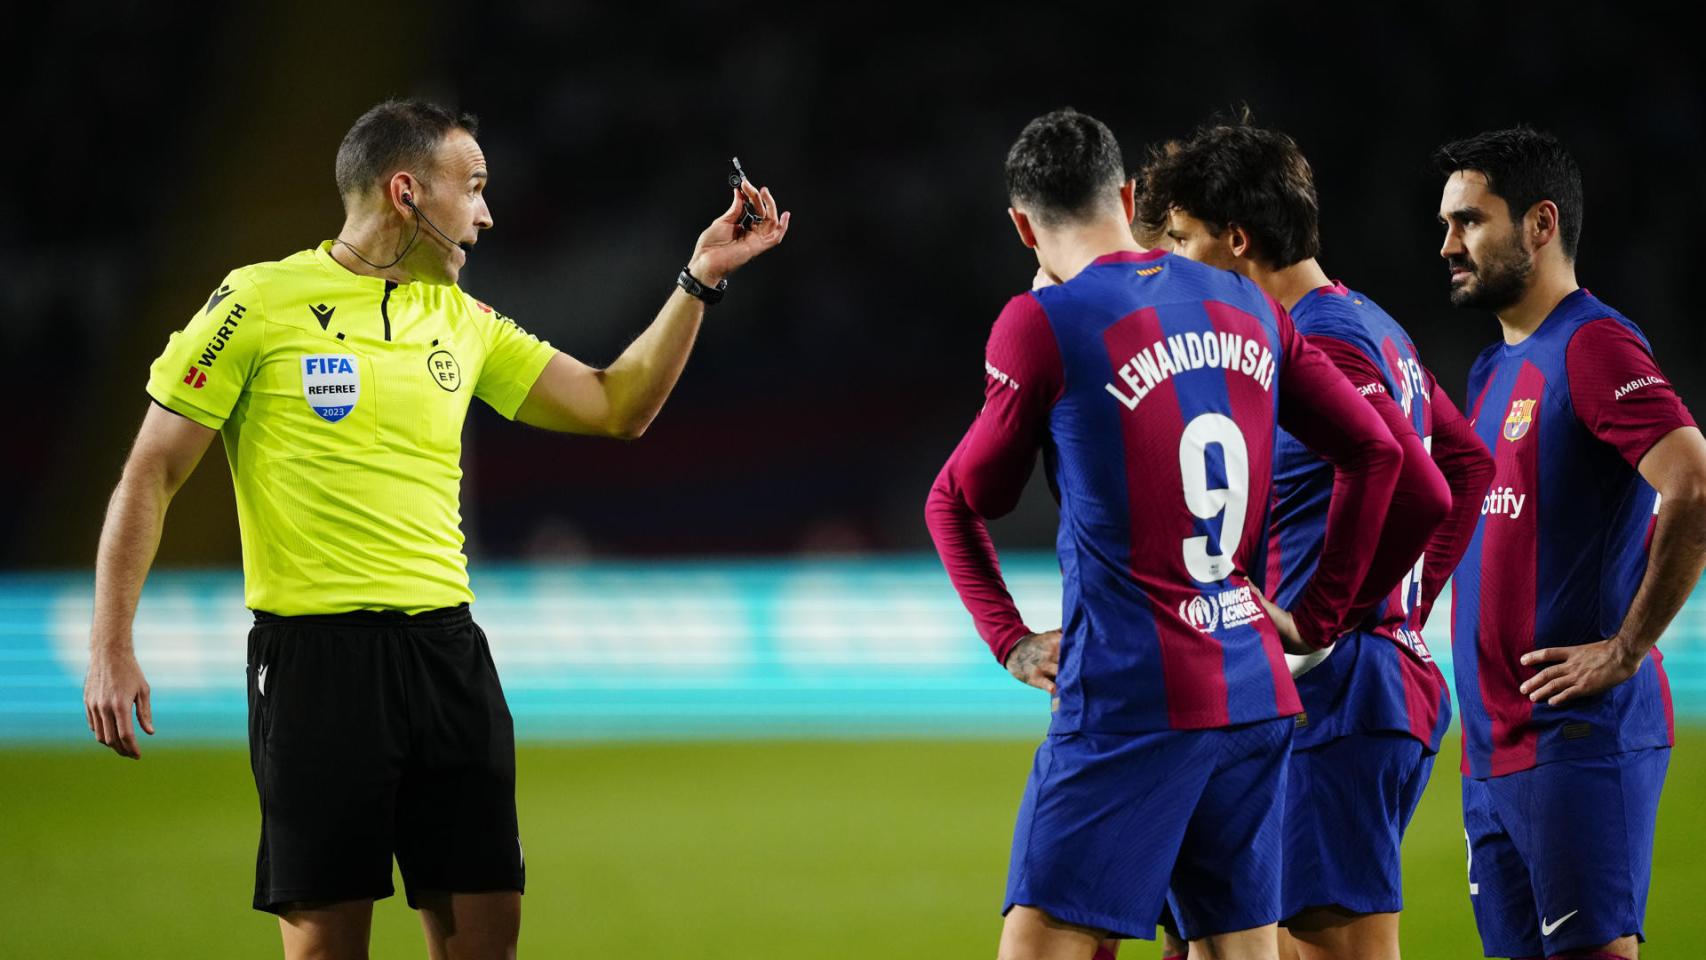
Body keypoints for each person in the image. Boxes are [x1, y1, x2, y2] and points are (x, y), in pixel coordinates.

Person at [80, 98, 789, 959]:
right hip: (316, 667)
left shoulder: (462, 320)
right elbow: (151, 472)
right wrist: (110, 645)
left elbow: (616, 405)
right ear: (406, 191)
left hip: (448, 658)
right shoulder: (257, 301)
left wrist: (700, 278)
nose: (487, 214)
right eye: (475, 187)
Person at [924, 107, 1405, 960]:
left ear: (1023, 226)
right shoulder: (1245, 299)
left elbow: (963, 500)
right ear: (1127, 196)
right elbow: (1377, 453)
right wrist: (1319, 616)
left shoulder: (1041, 322)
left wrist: (1010, 639)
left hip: (1129, 701)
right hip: (1252, 692)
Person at [1147, 121, 1494, 960]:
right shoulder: (1369, 321)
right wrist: (1403, 603)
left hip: (1341, 693)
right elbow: (1468, 464)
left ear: (1237, 240)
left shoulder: (1323, 339)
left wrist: (1325, 616)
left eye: (1184, 238)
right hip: (1356, 684)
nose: (1175, 261)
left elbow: (1423, 481)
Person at [1435, 126, 1706, 960]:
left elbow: (1693, 482)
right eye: (1447, 224)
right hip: (1494, 751)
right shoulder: (1493, 369)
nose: (1448, 245)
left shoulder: (1593, 345)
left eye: (1469, 221)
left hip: (1577, 743)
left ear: (1541, 224)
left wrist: (1626, 649)